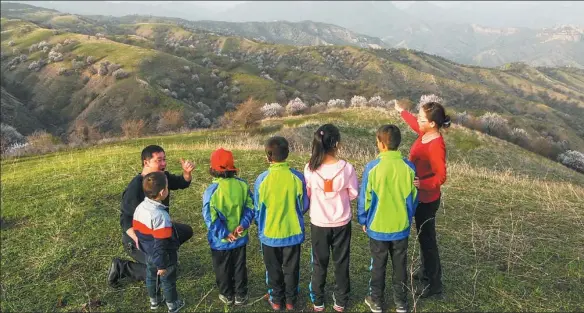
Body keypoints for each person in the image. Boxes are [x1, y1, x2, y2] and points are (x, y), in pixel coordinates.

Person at [108, 145, 195, 287]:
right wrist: (139, 241)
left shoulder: (162, 177)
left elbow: (181, 182)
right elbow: (125, 221)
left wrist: (187, 173)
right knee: (162, 275)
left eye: (164, 159)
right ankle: (121, 267)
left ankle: (165, 254)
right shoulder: (136, 186)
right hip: (137, 239)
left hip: (157, 232)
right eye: (159, 160)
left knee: (185, 231)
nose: (163, 163)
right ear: (146, 162)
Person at [358, 125, 418, 313]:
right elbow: (413, 198)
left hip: (378, 226)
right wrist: (408, 217)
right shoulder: (409, 167)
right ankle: (401, 302)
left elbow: (365, 197)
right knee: (400, 264)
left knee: (378, 263)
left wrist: (363, 219)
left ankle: (376, 300)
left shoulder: (372, 167)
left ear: (381, 144)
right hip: (401, 226)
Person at [395, 99, 450, 298]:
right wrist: (402, 112)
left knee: (428, 241)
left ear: (432, 123)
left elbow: (441, 176)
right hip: (420, 197)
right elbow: (414, 124)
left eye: (421, 118)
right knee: (422, 236)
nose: (418, 121)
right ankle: (425, 271)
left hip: (427, 200)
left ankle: (434, 285)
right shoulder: (425, 133)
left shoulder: (436, 145)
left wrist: (422, 184)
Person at [303, 124, 358, 312]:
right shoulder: (347, 168)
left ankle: (318, 300)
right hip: (342, 221)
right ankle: (341, 300)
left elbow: (308, 193)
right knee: (341, 261)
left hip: (319, 221)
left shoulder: (309, 169)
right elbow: (353, 193)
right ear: (337, 144)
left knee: (319, 261)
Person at [254, 136, 309, 311]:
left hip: (269, 234)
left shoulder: (262, 179)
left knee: (273, 268)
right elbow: (304, 205)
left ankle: (276, 300)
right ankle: (291, 301)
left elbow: (257, 208)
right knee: (292, 268)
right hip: (292, 233)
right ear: (287, 154)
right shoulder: (297, 177)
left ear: (267, 156)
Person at [202, 148, 254, 306]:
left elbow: (210, 218)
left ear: (212, 169)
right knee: (239, 266)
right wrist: (243, 225)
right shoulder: (242, 185)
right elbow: (251, 207)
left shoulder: (211, 191)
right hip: (240, 236)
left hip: (220, 241)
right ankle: (241, 295)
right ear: (233, 168)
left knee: (222, 268)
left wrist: (224, 234)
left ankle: (226, 294)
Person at [133, 171, 185, 313]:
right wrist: (162, 264)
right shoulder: (161, 216)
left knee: (151, 277)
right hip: (163, 255)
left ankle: (154, 301)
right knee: (167, 280)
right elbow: (161, 243)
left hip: (148, 252)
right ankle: (172, 304)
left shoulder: (140, 208)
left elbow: (137, 231)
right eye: (167, 187)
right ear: (162, 192)